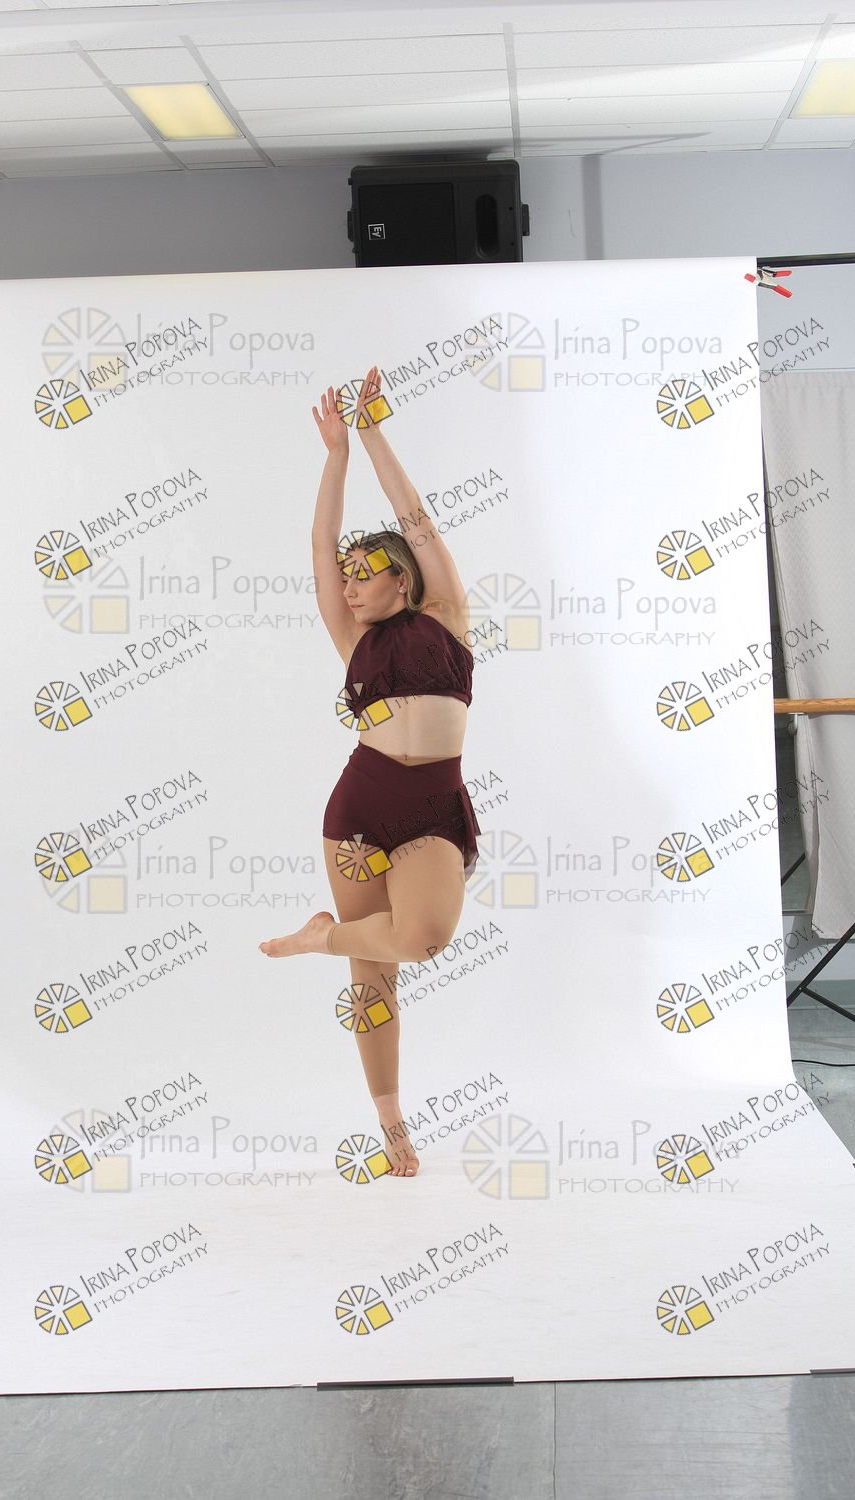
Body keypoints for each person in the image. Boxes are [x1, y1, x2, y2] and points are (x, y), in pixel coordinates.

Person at [259, 366, 481, 1177]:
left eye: (364, 573)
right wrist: (335, 457)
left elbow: (415, 518)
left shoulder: (446, 615)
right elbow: (320, 547)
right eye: (345, 577)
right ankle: (392, 1127)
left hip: (434, 809)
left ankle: (319, 937)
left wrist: (375, 432)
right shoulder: (352, 639)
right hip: (359, 810)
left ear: (402, 577)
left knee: (422, 941)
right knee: (375, 974)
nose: (349, 586)